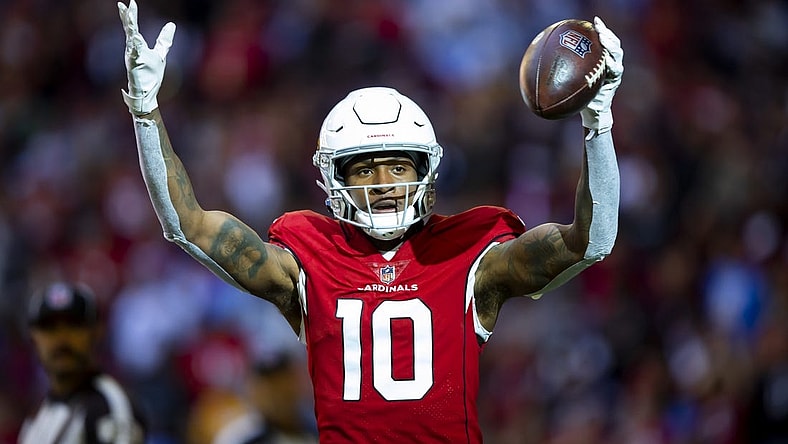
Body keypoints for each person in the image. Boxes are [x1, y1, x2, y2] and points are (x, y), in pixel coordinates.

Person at [118, 0, 623, 441]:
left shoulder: (469, 255)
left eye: (398, 166)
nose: (383, 182)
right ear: (334, 178)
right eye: (364, 168)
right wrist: (147, 113)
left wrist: (597, 125)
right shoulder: (308, 256)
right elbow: (189, 225)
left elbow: (591, 243)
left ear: (425, 169)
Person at [18, 282, 147, 444]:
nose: (62, 338)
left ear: (97, 332)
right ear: (33, 337)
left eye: (74, 325)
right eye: (49, 327)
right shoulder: (41, 415)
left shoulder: (110, 408)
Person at [212, 351, 317, 444]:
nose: (277, 396)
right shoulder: (239, 437)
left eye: (282, 384)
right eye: (269, 387)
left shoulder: (315, 429)